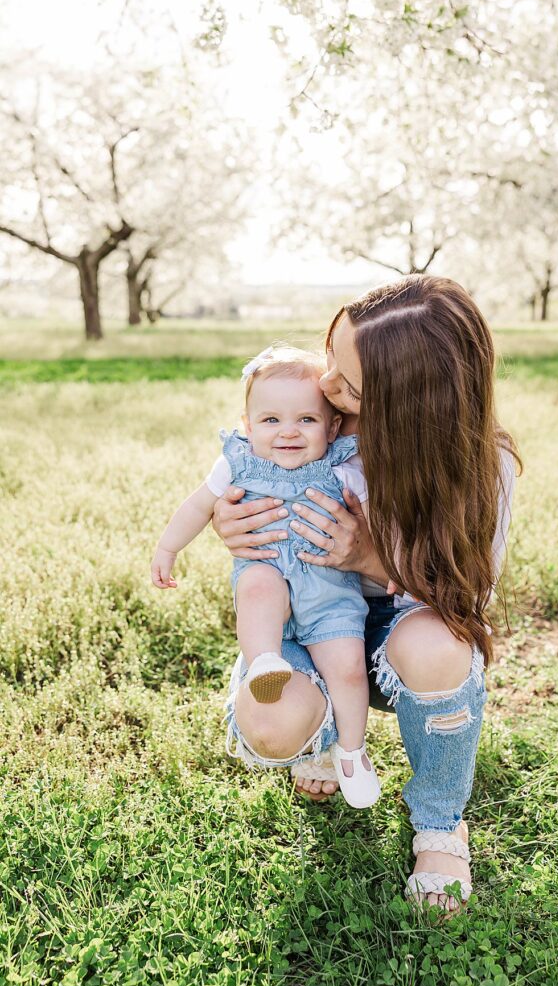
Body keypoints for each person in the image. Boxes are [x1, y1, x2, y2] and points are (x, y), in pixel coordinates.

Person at [214, 276, 520, 915]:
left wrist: (365, 554)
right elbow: (248, 461)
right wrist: (231, 516)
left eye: (349, 387)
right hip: (311, 622)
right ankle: (327, 732)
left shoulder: (481, 470)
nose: (328, 389)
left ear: (414, 402)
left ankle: (439, 823)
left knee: (440, 646)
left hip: (398, 627)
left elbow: (468, 590)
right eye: (332, 360)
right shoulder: (314, 419)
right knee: (271, 722)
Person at [151, 344, 381, 808]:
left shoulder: (342, 466)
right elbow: (198, 505)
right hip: (268, 574)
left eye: (306, 420)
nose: (288, 433)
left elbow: (375, 520)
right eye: (271, 420)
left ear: (333, 426)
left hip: (329, 593)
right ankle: (265, 661)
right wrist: (168, 547)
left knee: (350, 671)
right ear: (248, 425)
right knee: (258, 585)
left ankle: (351, 751)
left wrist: (387, 561)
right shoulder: (237, 463)